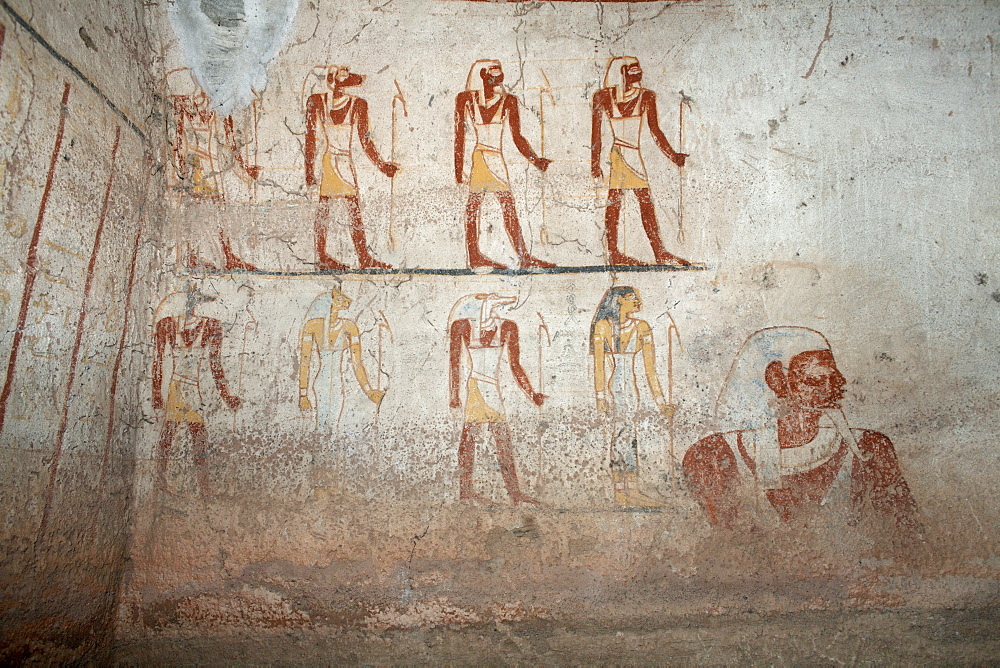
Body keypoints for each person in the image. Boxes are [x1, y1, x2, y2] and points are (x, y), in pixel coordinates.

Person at [682, 327, 920, 534]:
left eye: (833, 381)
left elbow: (905, 532)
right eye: (814, 381)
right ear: (778, 382)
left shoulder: (870, 447)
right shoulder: (713, 454)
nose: (828, 391)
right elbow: (731, 543)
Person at [591, 56, 691, 267]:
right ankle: (623, 253)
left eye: (639, 69)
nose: (638, 73)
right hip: (619, 154)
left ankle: (653, 252)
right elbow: (596, 134)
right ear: (622, 72)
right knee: (622, 201)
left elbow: (655, 131)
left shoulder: (646, 96)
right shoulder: (602, 96)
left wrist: (673, 156)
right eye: (633, 70)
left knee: (632, 201)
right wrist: (594, 163)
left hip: (631, 154)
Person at [455, 60, 554, 270]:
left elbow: (517, 136)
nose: (496, 82)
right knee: (477, 206)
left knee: (503, 206)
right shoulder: (465, 98)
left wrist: (536, 160)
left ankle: (522, 257)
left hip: (494, 158)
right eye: (492, 77)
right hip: (481, 157)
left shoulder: (509, 101)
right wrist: (457, 168)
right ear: (483, 76)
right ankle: (478, 256)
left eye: (499, 77)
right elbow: (459, 136)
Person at [448, 293, 544, 505]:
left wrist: (531, 393)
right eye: (488, 303)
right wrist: (454, 396)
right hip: (476, 388)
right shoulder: (461, 326)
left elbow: (515, 365)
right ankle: (467, 493)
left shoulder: (508, 326)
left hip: (492, 388)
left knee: (502, 441)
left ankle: (514, 494)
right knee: (471, 439)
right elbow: (454, 363)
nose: (490, 309)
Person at [305, 66, 398, 270]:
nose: (344, 76)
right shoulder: (317, 100)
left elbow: (365, 140)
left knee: (347, 207)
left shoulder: (358, 104)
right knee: (329, 208)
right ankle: (328, 256)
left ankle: (360, 256)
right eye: (340, 73)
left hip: (343, 161)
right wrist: (308, 171)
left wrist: (382, 166)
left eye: (346, 74)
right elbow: (310, 137)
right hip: (331, 160)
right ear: (332, 78)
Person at [591, 286, 674, 509]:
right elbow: (599, 366)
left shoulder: (642, 327)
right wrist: (600, 396)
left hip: (631, 388)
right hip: (615, 387)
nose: (638, 301)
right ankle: (624, 491)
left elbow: (650, 370)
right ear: (618, 301)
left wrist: (661, 402)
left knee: (628, 434)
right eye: (631, 298)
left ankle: (630, 489)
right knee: (622, 434)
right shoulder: (603, 326)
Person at [152, 287, 241, 494]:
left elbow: (215, 364)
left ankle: (202, 485)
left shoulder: (212, 325)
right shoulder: (166, 324)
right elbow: (158, 360)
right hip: (178, 387)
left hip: (192, 388)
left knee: (195, 435)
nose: (193, 304)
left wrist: (226, 396)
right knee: (175, 432)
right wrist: (156, 392)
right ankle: (165, 480)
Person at [170, 83, 261, 271]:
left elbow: (232, 146)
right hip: (195, 164)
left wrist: (246, 170)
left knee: (218, 209)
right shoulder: (184, 105)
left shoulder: (221, 112)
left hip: (212, 164)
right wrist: (179, 166)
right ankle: (194, 256)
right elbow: (178, 140)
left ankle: (226, 256)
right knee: (196, 209)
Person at [298, 285, 385, 433]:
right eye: (338, 298)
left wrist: (369, 391)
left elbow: (357, 363)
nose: (347, 300)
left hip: (338, 384)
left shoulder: (349, 326)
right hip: (321, 384)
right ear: (329, 302)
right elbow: (305, 361)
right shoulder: (312, 325)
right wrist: (303, 394)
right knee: (320, 426)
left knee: (333, 427)